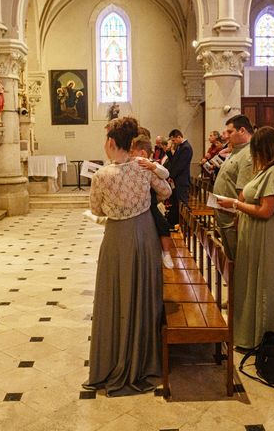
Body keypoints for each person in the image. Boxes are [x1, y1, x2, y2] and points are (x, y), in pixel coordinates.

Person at [84, 116, 172, 396]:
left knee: (114, 296)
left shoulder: (101, 176)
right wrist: (147, 187)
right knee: (143, 294)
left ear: (111, 143)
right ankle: (143, 361)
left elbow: (97, 210)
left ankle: (111, 362)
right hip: (145, 233)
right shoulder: (143, 168)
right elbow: (167, 191)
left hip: (117, 238)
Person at [217, 126, 274, 349]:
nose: (252, 155)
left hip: (270, 232)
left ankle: (264, 338)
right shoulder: (265, 170)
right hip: (256, 231)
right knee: (250, 281)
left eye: (255, 150)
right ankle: (248, 334)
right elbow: (249, 195)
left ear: (265, 149)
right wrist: (239, 207)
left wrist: (234, 204)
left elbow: (265, 211)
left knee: (265, 284)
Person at [212, 115, 254, 260]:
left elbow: (245, 189)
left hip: (233, 218)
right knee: (230, 260)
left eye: (230, 132)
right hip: (225, 214)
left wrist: (237, 214)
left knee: (238, 261)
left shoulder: (248, 154)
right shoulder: (236, 150)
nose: (226, 137)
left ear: (242, 130)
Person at [130, 135, 174, 269]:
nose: (131, 155)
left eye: (133, 152)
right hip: (135, 203)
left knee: (163, 225)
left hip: (150, 203)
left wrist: (152, 167)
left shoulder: (152, 164)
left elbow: (166, 174)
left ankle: (166, 253)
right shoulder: (132, 165)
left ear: (142, 153)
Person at [164, 129, 193, 229]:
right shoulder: (180, 147)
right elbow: (174, 162)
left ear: (179, 137)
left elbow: (180, 166)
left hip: (182, 180)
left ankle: (187, 226)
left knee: (182, 204)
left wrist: (170, 176)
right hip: (177, 180)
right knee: (176, 203)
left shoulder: (186, 148)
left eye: (173, 140)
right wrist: (168, 152)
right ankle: (175, 223)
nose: (173, 142)